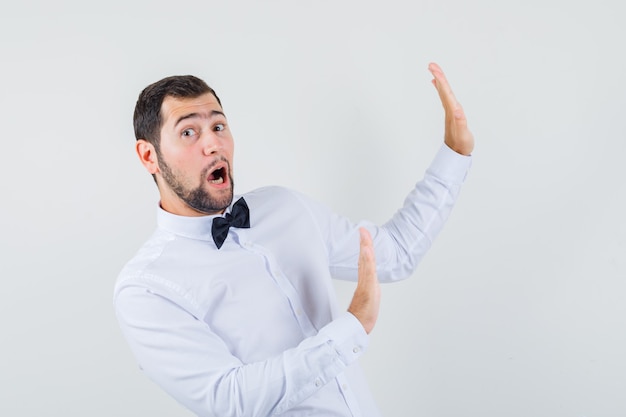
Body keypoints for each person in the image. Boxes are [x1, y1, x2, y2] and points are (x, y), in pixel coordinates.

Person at [114, 62, 474, 417]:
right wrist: (352, 327)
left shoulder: (284, 207)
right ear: (150, 156)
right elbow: (230, 399)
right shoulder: (146, 289)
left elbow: (397, 253)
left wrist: (455, 154)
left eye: (218, 125)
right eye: (189, 132)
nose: (213, 144)